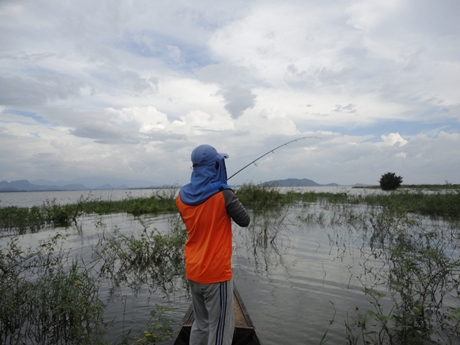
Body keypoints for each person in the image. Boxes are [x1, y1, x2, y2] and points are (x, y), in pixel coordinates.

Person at [176, 144, 250, 345]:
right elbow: (245, 220)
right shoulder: (224, 194)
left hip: (193, 270)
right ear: (216, 166)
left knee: (201, 324)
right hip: (216, 274)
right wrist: (226, 190)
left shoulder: (181, 197)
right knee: (220, 330)